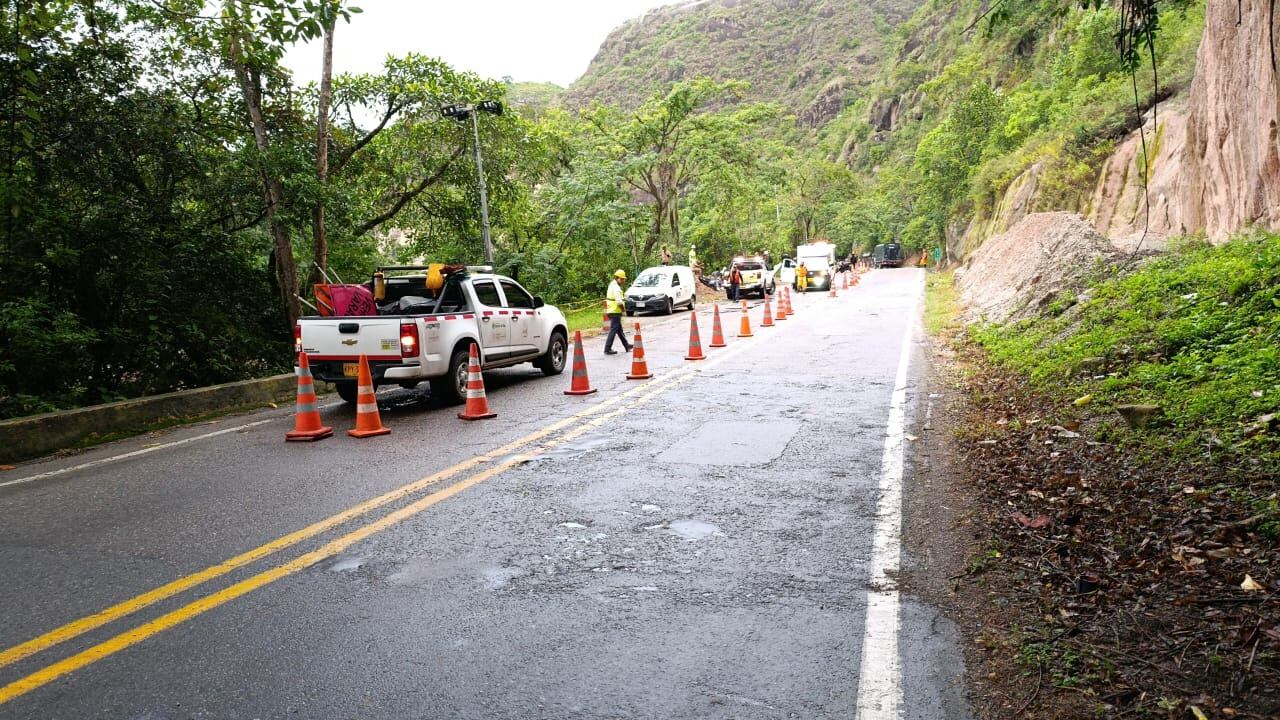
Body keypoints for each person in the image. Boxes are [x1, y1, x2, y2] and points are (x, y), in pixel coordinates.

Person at [603, 269, 632, 355]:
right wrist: (623, 310)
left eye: (623, 279)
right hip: (615, 311)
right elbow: (619, 302)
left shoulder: (612, 284)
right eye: (622, 279)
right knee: (614, 330)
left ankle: (626, 345)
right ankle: (607, 349)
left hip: (612, 310)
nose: (623, 281)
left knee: (619, 330)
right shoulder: (616, 287)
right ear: (617, 278)